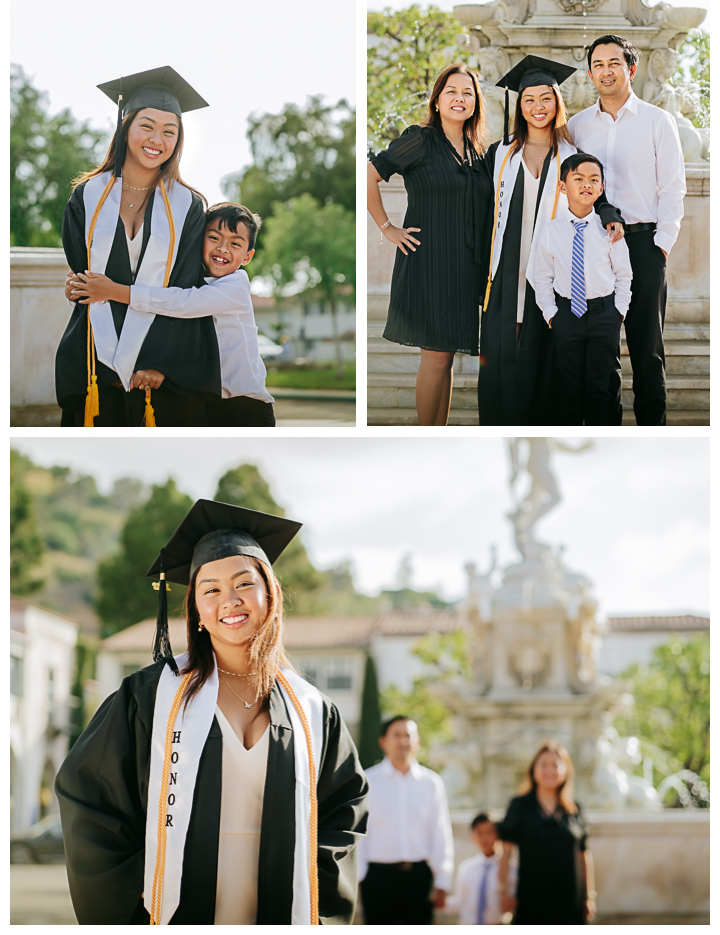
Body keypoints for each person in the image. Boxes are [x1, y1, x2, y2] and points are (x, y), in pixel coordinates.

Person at [55, 500, 369, 924]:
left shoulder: (312, 710)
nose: (230, 600)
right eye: (211, 589)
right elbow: (89, 797)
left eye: (244, 584)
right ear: (197, 611)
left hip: (278, 911)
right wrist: (131, 905)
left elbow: (344, 810)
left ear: (269, 593)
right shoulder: (148, 698)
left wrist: (317, 899)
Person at [55, 66, 221, 427]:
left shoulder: (188, 206)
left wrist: (161, 361)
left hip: (163, 370)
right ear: (125, 126)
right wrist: (76, 288)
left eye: (169, 131)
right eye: (146, 125)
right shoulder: (87, 196)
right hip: (94, 357)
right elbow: (82, 275)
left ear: (179, 140)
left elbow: (187, 286)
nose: (156, 139)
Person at [478, 55, 624, 426]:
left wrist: (609, 213)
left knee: (545, 340)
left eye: (546, 98)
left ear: (557, 103)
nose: (537, 107)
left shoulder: (572, 155)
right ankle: (503, 421)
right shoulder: (500, 152)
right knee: (506, 342)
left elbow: (595, 195)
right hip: (508, 257)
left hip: (553, 261)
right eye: (529, 99)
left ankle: (541, 421)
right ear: (520, 106)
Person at [67, 202, 276, 427]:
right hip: (201, 400)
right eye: (214, 238)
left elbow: (182, 304)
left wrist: (113, 291)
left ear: (247, 257)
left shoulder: (236, 286)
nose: (223, 248)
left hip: (244, 405)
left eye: (235, 244)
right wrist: (83, 290)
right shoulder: (187, 279)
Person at [568, 34, 686, 426]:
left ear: (630, 69)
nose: (606, 71)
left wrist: (661, 245)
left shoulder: (657, 120)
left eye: (614, 63)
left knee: (647, 352)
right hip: (594, 249)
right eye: (598, 65)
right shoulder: (577, 126)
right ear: (590, 73)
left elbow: (672, 186)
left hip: (642, 245)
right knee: (602, 354)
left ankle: (653, 435)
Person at [367, 63, 492, 425]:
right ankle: (426, 432)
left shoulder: (476, 150)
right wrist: (388, 227)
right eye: (452, 91)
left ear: (475, 103)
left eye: (468, 93)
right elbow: (370, 175)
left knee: (447, 356)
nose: (460, 98)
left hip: (466, 266)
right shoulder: (420, 139)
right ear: (437, 100)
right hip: (429, 261)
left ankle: (440, 429)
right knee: (435, 356)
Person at [534, 153, 632, 424]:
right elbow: (541, 276)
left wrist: (618, 312)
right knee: (569, 388)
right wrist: (552, 314)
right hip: (567, 316)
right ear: (563, 186)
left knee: (603, 388)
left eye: (593, 179)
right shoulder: (551, 231)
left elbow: (624, 274)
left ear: (601, 188)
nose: (586, 184)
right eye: (578, 178)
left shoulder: (610, 230)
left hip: (604, 315)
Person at [358, 715, 454, 924]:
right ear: (383, 742)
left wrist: (443, 879)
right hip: (377, 879)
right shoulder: (368, 781)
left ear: (417, 742)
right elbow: (361, 833)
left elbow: (440, 832)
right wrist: (358, 877)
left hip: (418, 879)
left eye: (408, 735)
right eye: (397, 735)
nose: (403, 741)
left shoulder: (432, 783)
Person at [497, 741, 596, 925]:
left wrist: (589, 896)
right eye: (543, 765)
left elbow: (584, 855)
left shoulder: (575, 809)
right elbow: (506, 851)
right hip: (530, 898)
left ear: (566, 770)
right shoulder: (519, 806)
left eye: (556, 765)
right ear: (533, 770)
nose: (549, 770)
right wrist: (503, 890)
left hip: (570, 900)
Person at [450, 813, 517, 925]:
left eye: (489, 832)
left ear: (498, 834)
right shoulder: (467, 868)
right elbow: (459, 901)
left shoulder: (511, 869)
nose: (485, 838)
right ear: (473, 836)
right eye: (480, 833)